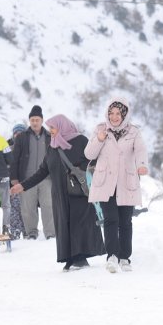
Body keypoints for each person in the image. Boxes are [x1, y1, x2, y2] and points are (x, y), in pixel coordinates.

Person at [11, 115, 105, 271]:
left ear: (62, 126)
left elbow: (93, 160)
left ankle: (81, 258)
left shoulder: (80, 141)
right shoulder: (52, 147)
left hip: (78, 192)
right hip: (60, 195)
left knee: (79, 223)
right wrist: (23, 186)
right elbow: (42, 171)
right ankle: (69, 257)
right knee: (64, 225)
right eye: (50, 128)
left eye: (53, 128)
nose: (51, 131)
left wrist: (81, 171)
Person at [84, 98, 148, 273]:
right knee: (111, 219)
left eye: (118, 113)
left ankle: (125, 257)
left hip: (126, 182)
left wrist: (142, 165)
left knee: (125, 221)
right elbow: (89, 153)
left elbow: (141, 150)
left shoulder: (134, 132)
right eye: (111, 113)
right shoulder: (100, 129)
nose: (114, 117)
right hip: (106, 183)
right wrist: (99, 139)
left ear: (124, 114)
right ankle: (112, 255)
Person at [10, 106, 55, 240]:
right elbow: (14, 159)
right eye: (32, 120)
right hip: (27, 179)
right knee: (28, 208)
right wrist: (14, 178)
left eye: (37, 120)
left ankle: (51, 233)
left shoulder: (49, 137)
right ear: (29, 121)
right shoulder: (22, 137)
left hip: (46, 178)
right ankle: (31, 233)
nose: (34, 122)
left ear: (42, 121)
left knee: (48, 205)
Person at [8, 124, 27, 239]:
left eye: (20, 133)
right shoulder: (8, 147)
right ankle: (15, 230)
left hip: (26, 182)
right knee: (14, 208)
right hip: (13, 182)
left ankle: (26, 230)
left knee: (26, 207)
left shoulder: (28, 146)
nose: (18, 135)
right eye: (16, 133)